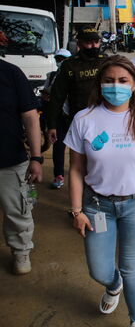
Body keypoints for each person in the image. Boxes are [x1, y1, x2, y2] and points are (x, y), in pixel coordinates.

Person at [64, 56, 135, 327]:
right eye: (109, 80)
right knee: (99, 270)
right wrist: (76, 210)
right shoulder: (84, 119)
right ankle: (114, 285)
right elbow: (76, 169)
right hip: (97, 206)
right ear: (99, 84)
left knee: (132, 267)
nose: (116, 86)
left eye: (123, 81)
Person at [0, 58, 43, 275]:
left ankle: (21, 250)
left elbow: (30, 117)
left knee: (19, 209)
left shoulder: (11, 73)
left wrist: (36, 158)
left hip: (9, 160)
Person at [47, 28, 105, 146]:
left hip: (104, 117)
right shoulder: (70, 65)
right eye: (89, 42)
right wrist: (52, 125)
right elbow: (57, 96)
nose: (93, 46)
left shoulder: (105, 61)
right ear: (79, 44)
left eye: (96, 42)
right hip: (79, 119)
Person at [41, 49, 71, 188]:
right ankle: (58, 175)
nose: (61, 62)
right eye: (58, 59)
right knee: (59, 146)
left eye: (63, 59)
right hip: (60, 116)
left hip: (75, 116)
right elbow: (46, 95)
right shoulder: (52, 76)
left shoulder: (76, 75)